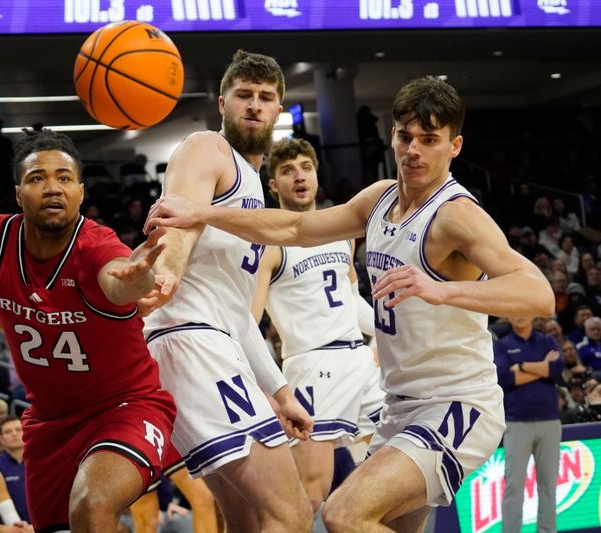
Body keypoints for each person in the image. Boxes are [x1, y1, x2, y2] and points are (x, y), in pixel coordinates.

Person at [145, 75, 555, 532]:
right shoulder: (378, 198)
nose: (414, 150)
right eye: (405, 136)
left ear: (454, 146)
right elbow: (295, 230)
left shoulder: (456, 215)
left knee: (343, 515)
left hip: (456, 404)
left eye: (430, 140)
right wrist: (204, 212)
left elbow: (538, 293)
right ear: (391, 135)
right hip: (399, 406)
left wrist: (444, 289)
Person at [0, 128, 176, 532]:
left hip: (125, 407)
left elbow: (118, 280)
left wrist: (137, 281)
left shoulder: (96, 244)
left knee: (93, 505)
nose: (52, 188)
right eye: (37, 178)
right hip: (49, 425)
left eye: (64, 178)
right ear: (17, 194)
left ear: (81, 192)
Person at [140, 50, 313, 532]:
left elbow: (238, 312)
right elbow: (179, 217)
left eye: (265, 97)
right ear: (223, 102)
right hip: (190, 340)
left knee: (248, 518)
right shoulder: (206, 149)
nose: (254, 106)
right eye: (244, 96)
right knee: (291, 513)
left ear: (279, 110)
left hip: (209, 340)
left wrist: (279, 392)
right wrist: (169, 269)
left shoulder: (253, 185)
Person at [250, 137, 384, 513]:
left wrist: (387, 337)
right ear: (273, 184)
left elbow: (351, 300)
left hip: (359, 361)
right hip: (311, 367)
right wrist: (270, 388)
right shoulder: (270, 244)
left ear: (316, 175)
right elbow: (249, 322)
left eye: (306, 167)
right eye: (287, 170)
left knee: (385, 478)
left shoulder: (340, 231)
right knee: (310, 495)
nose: (299, 177)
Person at [494, 316, 563, 533]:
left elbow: (556, 370)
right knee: (514, 486)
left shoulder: (548, 341)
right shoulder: (503, 344)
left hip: (550, 421)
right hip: (517, 422)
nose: (519, 315)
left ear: (531, 313)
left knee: (549, 485)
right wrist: (542, 366)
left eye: (523, 310)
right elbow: (505, 378)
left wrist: (521, 366)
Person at [0, 416, 29, 523]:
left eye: (18, 430)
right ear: (1, 439)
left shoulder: (40, 462)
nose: (14, 434)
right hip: (12, 527)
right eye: (8, 431)